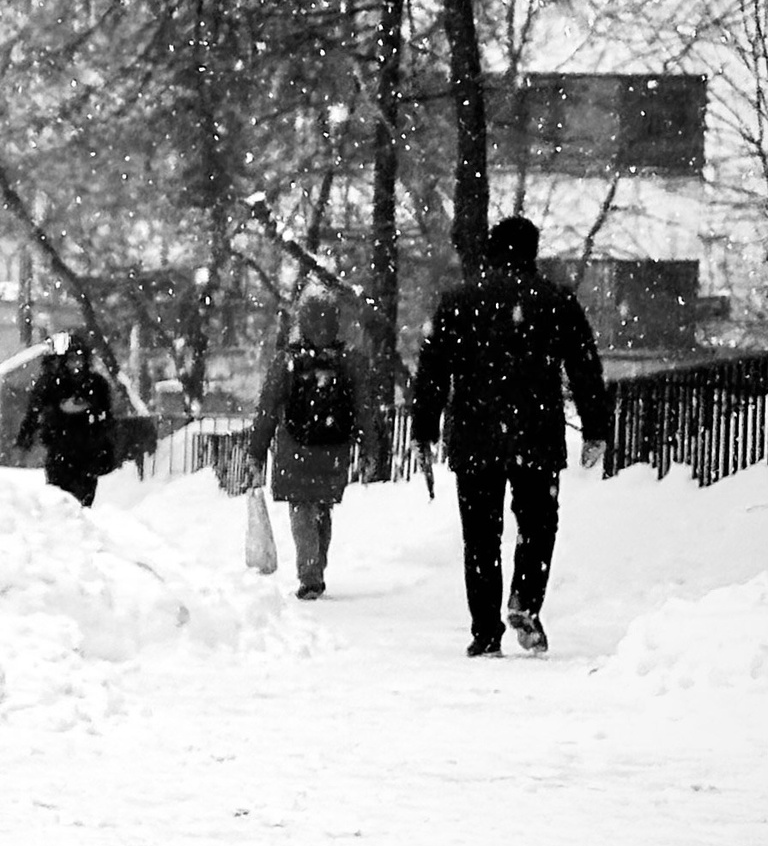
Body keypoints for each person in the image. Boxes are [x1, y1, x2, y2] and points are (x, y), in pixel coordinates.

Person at [411, 215, 611, 658]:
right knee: (538, 524)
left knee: (480, 536)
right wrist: (596, 425)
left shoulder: (460, 301)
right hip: (536, 431)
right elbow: (583, 366)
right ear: (531, 251)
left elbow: (432, 372)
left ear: (490, 250)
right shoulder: (556, 301)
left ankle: (485, 632)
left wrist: (423, 430)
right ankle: (525, 599)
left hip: (474, 433)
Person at [241, 291, 381, 601]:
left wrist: (256, 452)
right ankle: (317, 566)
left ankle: (309, 574)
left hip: (295, 448)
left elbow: (266, 410)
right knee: (322, 508)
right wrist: (370, 448)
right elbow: (364, 409)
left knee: (300, 508)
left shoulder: (287, 361)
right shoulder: (348, 362)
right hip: (333, 450)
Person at [14, 332, 118, 507]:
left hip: (88, 451)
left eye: (79, 359)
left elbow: (107, 417)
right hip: (59, 448)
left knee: (84, 498)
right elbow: (34, 411)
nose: (76, 365)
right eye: (71, 359)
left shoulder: (97, 384)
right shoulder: (52, 383)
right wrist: (25, 439)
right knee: (59, 497)